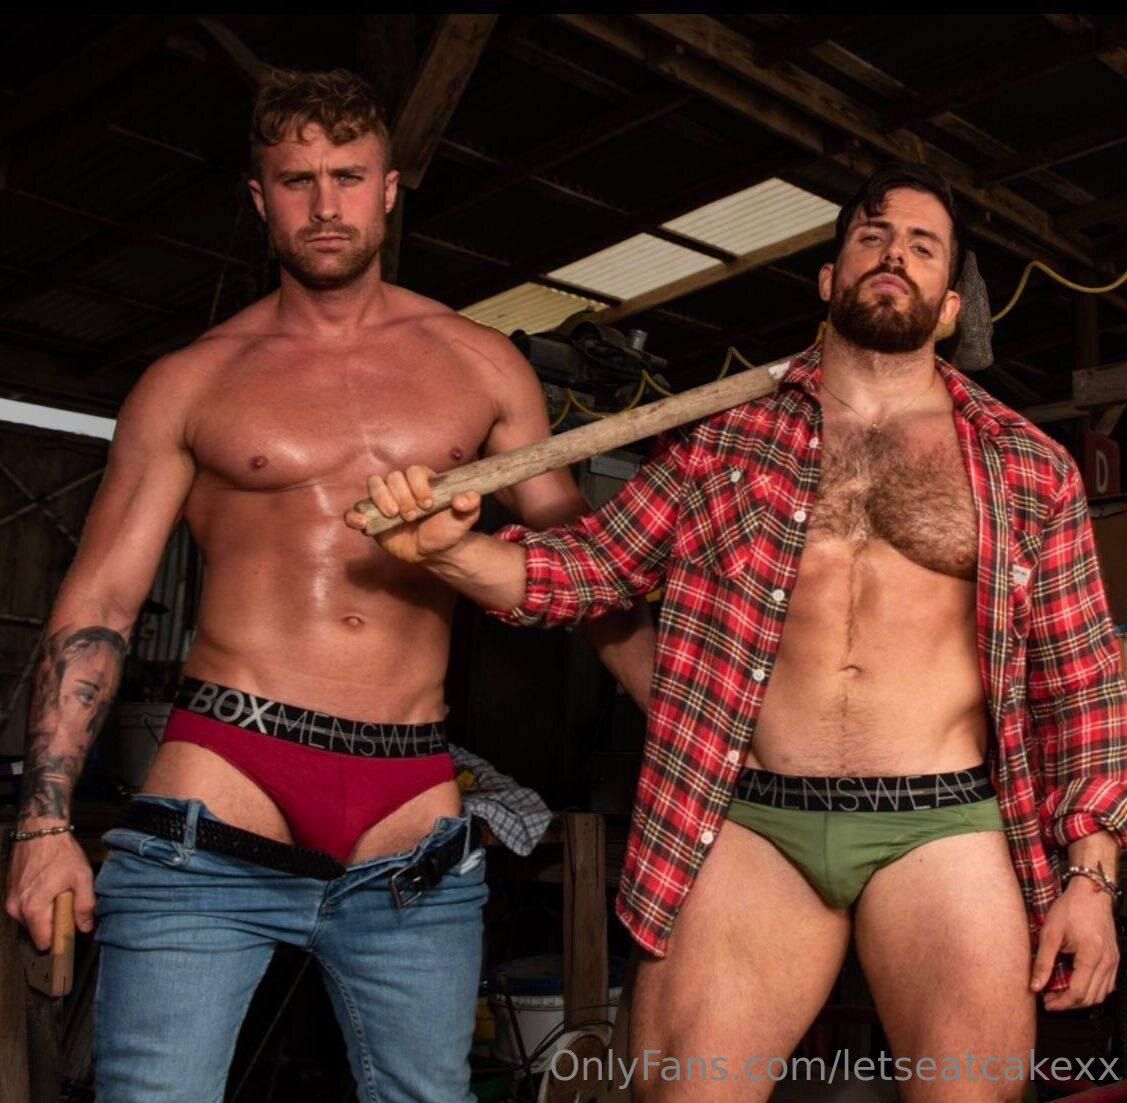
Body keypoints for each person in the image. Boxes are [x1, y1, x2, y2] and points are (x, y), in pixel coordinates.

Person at [353, 162, 1127, 1101]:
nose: (894, 254)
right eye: (873, 236)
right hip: (755, 817)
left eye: (924, 247)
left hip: (945, 825)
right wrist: (446, 551)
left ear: (950, 309)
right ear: (829, 279)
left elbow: (1082, 678)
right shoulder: (723, 442)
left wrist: (1092, 877)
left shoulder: (1025, 466)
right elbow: (587, 569)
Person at [4, 68, 653, 1103]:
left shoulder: (482, 365)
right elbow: (100, 605)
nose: (324, 204)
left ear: (388, 190)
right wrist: (43, 825)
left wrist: (709, 741)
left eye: (347, 177)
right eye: (296, 180)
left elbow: (586, 578)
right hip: (219, 798)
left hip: (411, 825)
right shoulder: (192, 380)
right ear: (259, 199)